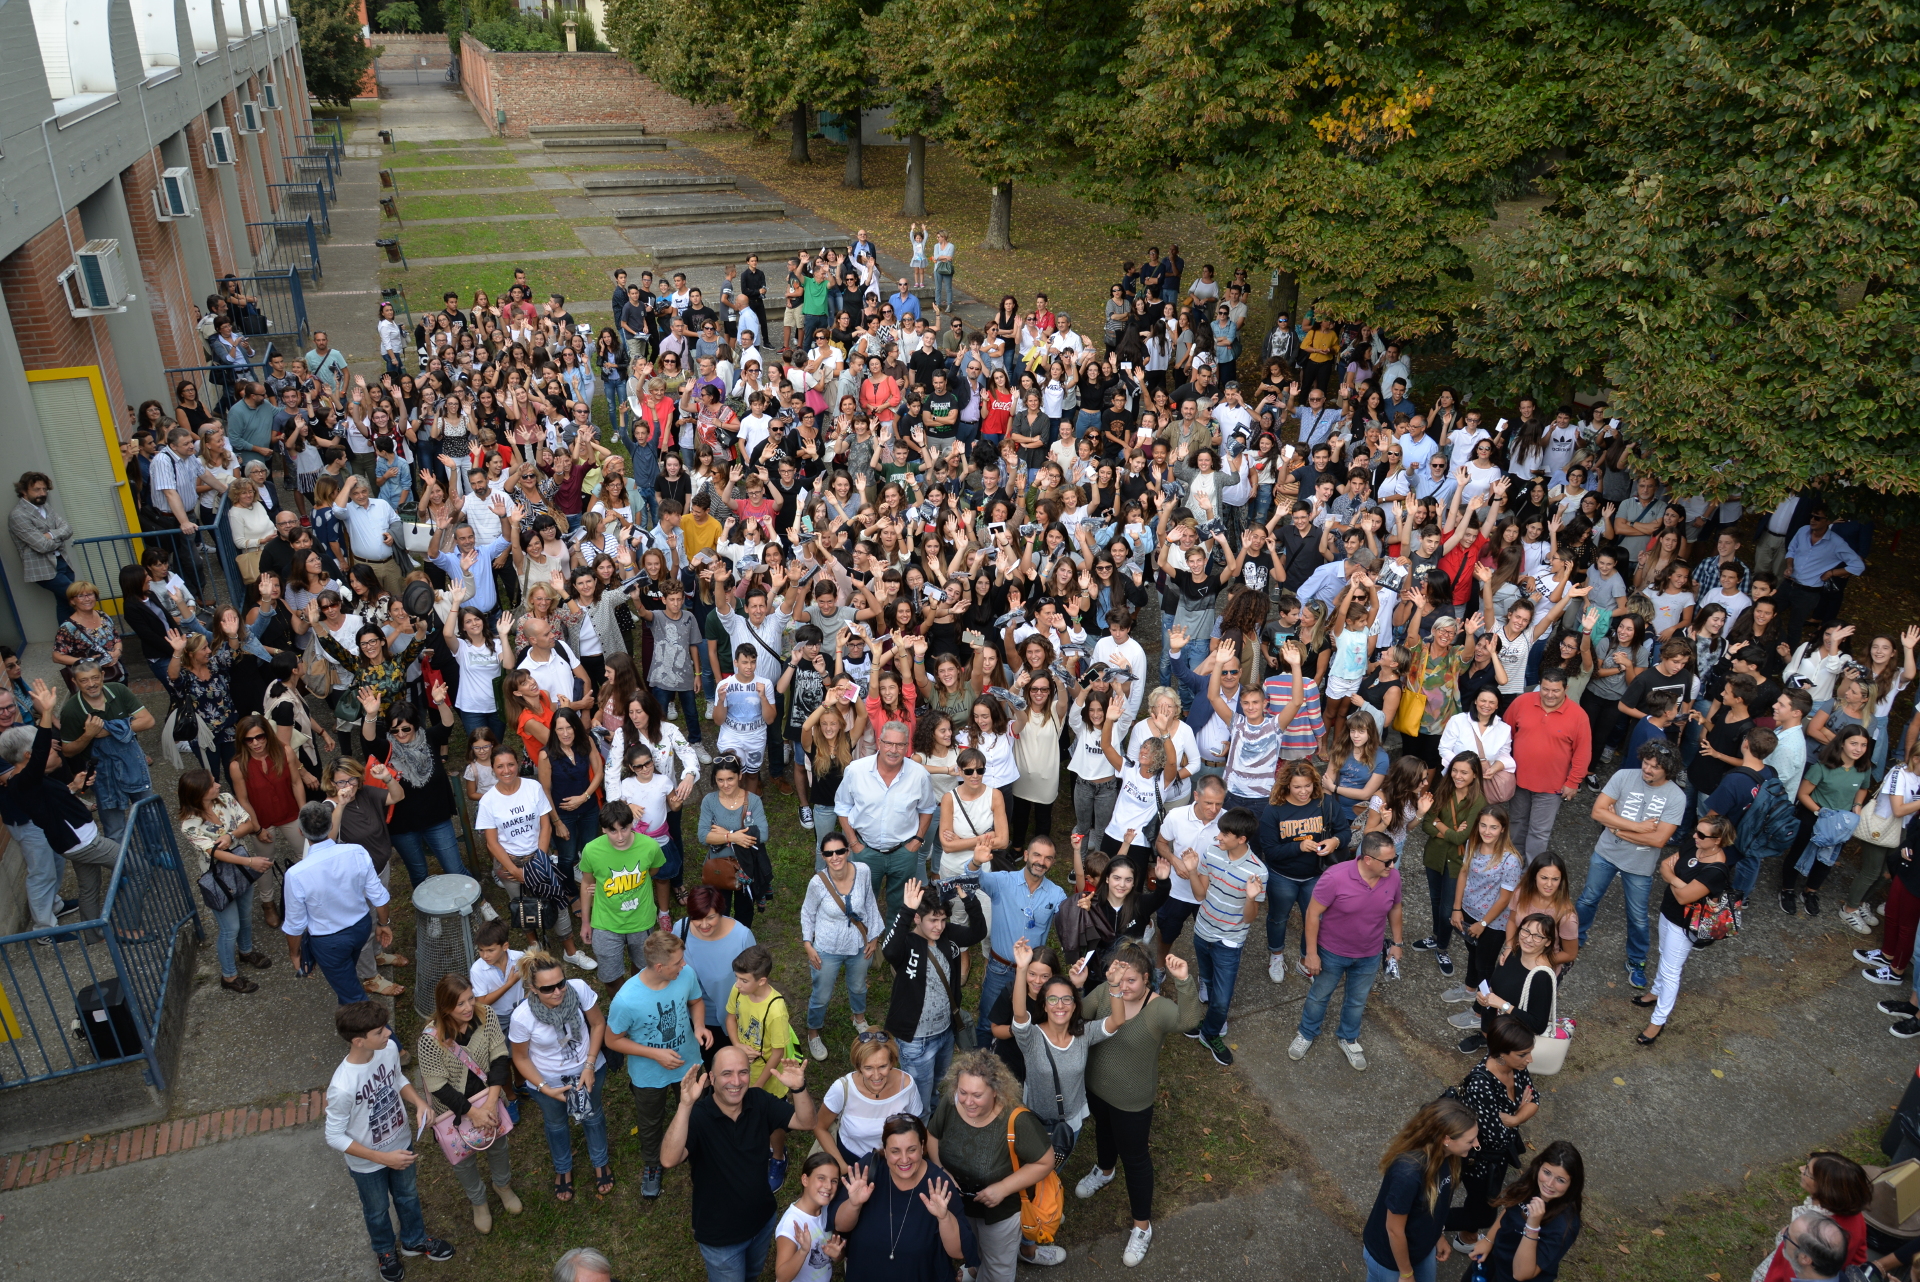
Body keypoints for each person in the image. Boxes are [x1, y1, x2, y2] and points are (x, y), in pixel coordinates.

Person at [1074, 944, 1200, 1267]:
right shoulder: (1106, 991)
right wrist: (1076, 987)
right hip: (1096, 1088)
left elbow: (1189, 1020)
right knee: (1103, 1129)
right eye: (1119, 979)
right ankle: (1104, 1170)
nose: (1124, 986)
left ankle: (1142, 1226)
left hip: (1133, 1101)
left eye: (1132, 980)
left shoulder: (1156, 1010)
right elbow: (1077, 1017)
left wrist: (1184, 981)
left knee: (1136, 1159)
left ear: (1147, 980)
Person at [326, 1001, 456, 1282]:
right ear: (359, 1041)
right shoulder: (342, 1085)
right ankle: (385, 1250)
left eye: (385, 1027)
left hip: (401, 1144)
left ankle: (414, 1240)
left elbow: (397, 1079)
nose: (388, 1033)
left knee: (408, 1196)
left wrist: (420, 1103)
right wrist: (384, 1159)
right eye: (379, 1031)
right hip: (368, 1164)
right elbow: (333, 1136)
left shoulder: (387, 1050)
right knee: (377, 1210)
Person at [662, 1049, 815, 1282]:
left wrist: (798, 1088)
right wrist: (684, 1106)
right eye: (727, 1074)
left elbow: (807, 1121)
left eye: (743, 1072)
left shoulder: (759, 1100)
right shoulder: (698, 1116)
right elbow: (668, 1159)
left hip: (762, 1221)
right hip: (721, 1238)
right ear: (712, 1078)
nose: (736, 1081)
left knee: (752, 1274)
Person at [927, 1049, 1066, 1275]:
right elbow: (932, 1135)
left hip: (999, 1211)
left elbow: (1045, 1161)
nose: (968, 1102)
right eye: (963, 1092)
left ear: (995, 1092)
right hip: (961, 1204)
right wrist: (942, 1171)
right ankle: (974, 1269)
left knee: (998, 1267)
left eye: (977, 1095)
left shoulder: (1017, 1120)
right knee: (972, 1247)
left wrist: (1002, 1188)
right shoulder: (951, 1103)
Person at [604, 928, 711, 1200]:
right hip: (649, 1075)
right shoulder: (626, 999)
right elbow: (613, 1040)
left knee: (697, 1110)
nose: (684, 965)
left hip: (689, 1062)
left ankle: (700, 1149)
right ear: (660, 966)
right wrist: (656, 1054)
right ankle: (652, 1165)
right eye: (678, 962)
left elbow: (696, 1001)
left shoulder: (684, 975)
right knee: (651, 1121)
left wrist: (698, 1025)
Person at [1573, 740, 1685, 992]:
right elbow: (1597, 812)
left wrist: (1617, 827)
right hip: (1606, 854)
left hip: (1640, 865)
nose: (1647, 769)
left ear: (1668, 769)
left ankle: (1636, 961)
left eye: (1655, 767)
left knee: (1638, 917)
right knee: (1588, 899)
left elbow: (1658, 839)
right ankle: (1573, 939)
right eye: (1646, 763)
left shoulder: (1676, 797)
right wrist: (1637, 826)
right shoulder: (1624, 775)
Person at [1290, 831, 1406, 1071]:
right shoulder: (1335, 877)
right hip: (1332, 952)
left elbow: (1395, 908)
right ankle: (1306, 1033)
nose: (1392, 865)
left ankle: (1348, 1038)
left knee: (1356, 1001)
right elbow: (1312, 913)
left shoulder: (1392, 877)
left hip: (1369, 954)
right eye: (1387, 861)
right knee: (1320, 995)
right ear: (1367, 859)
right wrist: (1311, 953)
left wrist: (1397, 942)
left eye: (1393, 859)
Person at [417, 973, 521, 1234]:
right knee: (463, 1159)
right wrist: (472, 1112)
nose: (467, 1008)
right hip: (453, 1110)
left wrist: (491, 1103)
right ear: (444, 1007)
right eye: (459, 1003)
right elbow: (437, 1085)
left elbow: (499, 1057)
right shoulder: (430, 1040)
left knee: (498, 1144)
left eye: (470, 999)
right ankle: (479, 1202)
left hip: (489, 1098)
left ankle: (502, 1185)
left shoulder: (485, 1014)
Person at [508, 951, 613, 1201]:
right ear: (533, 988)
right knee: (556, 1124)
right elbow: (520, 1058)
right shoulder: (522, 1018)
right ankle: (563, 1169)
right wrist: (545, 1088)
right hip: (548, 1081)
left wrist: (589, 1066)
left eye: (560, 983)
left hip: (589, 1069)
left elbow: (598, 1024)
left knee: (593, 1115)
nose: (557, 992)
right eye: (547, 989)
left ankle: (601, 1163)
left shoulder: (578, 989)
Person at [882, 876, 988, 1117]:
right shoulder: (907, 943)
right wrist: (906, 910)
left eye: (942, 920)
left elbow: (978, 932)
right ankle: (921, 1140)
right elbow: (889, 950)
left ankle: (932, 1125)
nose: (938, 927)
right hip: (916, 1041)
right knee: (918, 1101)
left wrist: (969, 900)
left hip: (945, 1034)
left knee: (937, 1087)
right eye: (933, 920)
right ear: (918, 918)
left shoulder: (947, 934)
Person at [829, 1113, 975, 1280]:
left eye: (911, 1150)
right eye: (895, 1151)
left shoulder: (939, 1185)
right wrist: (853, 1205)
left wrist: (944, 1218)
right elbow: (840, 1225)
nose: (904, 1159)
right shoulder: (869, 1170)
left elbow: (958, 1252)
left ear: (922, 1146)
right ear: (885, 1149)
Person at [283, 800, 395, 1005]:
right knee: (347, 979)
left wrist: (294, 953)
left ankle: (379, 1033)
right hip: (360, 928)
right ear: (331, 826)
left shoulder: (295, 874)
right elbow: (379, 895)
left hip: (330, 943)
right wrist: (383, 924)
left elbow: (295, 924)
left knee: (352, 997)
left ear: (301, 832)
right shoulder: (357, 851)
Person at [1636, 817, 1735, 1046]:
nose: (1694, 837)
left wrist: (1673, 879)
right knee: (1663, 953)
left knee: (1672, 970)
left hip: (1685, 925)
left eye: (1701, 835)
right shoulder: (1695, 846)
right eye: (1696, 831)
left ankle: (1658, 1021)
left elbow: (1682, 895)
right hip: (1668, 912)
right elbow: (1665, 866)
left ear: (1717, 840)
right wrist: (1680, 882)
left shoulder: (1716, 870)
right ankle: (1656, 992)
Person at [177, 767, 274, 994]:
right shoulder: (189, 825)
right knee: (230, 928)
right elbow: (215, 853)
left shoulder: (226, 800)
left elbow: (248, 823)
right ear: (199, 793)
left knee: (245, 915)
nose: (218, 785)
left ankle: (246, 951)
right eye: (212, 784)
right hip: (219, 878)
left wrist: (230, 835)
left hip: (240, 870)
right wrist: (250, 862)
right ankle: (229, 976)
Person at [967, 834, 1070, 1049]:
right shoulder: (1002, 881)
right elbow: (971, 878)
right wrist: (976, 862)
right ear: (1025, 855)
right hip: (1000, 969)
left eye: (1048, 858)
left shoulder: (1056, 893)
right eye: (1037, 855)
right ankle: (980, 1070)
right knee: (987, 1023)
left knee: (1029, 1024)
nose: (1041, 862)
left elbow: (1071, 918)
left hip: (1033, 976)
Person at [1361, 1098, 1478, 1282]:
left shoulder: (1450, 1157)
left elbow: (1434, 1205)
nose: (1476, 1144)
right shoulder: (1407, 1173)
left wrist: (1437, 1236)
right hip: (1390, 1260)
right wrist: (1406, 1274)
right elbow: (1394, 1230)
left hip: (1421, 1249)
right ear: (1446, 1139)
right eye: (1470, 1140)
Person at [1447, 1016, 1542, 1243]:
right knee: (1485, 1212)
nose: (1529, 1059)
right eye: (1522, 1054)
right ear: (1500, 1053)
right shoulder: (1481, 1084)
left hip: (1494, 1156)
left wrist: (1514, 1117)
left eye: (1529, 1052)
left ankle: (1466, 1237)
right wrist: (1519, 1115)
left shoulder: (1515, 1066)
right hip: (1478, 1159)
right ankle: (1428, 1223)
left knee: (1482, 1203)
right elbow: (1497, 1137)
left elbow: (1535, 1099)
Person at [1184, 806, 1266, 1066]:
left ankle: (1209, 1033)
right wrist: (1193, 871)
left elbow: (1250, 918)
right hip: (1202, 930)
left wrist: (1251, 898)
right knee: (1206, 980)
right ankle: (1209, 1025)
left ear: (1241, 839)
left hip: (1229, 941)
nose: (1218, 837)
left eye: (1224, 834)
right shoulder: (1211, 853)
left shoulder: (1257, 872)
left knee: (1221, 1001)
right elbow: (1200, 895)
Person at [837, 720, 940, 920]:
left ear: (907, 746)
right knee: (862, 900)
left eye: (900, 745)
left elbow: (927, 808)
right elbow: (842, 806)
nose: (894, 750)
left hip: (903, 852)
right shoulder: (855, 770)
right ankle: (865, 939)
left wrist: (917, 840)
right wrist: (854, 843)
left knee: (900, 905)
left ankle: (894, 943)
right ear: (879, 742)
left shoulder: (919, 775)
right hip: (865, 850)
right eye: (889, 743)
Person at [801, 831, 882, 1059]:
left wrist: (874, 937)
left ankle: (859, 1018)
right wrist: (808, 944)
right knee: (822, 994)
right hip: (826, 947)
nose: (835, 857)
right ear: (823, 856)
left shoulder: (863, 871)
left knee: (858, 986)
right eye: (829, 853)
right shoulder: (818, 883)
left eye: (839, 851)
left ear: (848, 851)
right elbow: (807, 912)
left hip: (858, 944)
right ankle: (814, 1032)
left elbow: (870, 902)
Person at [1466, 1140, 1587, 1282]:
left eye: (1560, 1180)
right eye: (1547, 1172)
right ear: (1539, 1166)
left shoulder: (1565, 1224)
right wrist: (1489, 1240)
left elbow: (1521, 1274)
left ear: (1572, 1184)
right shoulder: (1532, 1184)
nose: (1549, 1184)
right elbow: (1510, 1208)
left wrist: (1532, 1226)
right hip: (1492, 1262)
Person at [1412, 753, 1488, 981]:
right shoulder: (1442, 790)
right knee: (1435, 901)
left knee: (1448, 909)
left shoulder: (1479, 801)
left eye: (1464, 772)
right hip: (1434, 856)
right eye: (1455, 770)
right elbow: (1426, 823)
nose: (1458, 776)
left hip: (1457, 862)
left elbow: (1461, 837)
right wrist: (1444, 828)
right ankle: (1436, 936)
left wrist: (1439, 825)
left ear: (1475, 775)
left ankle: (1442, 947)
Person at [1501, 670, 1590, 859]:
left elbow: (1582, 752)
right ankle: (1514, 864)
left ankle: (1531, 874)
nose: (1549, 695)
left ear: (1566, 689)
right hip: (1518, 780)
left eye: (1556, 691)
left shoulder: (1578, 715)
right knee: (1517, 823)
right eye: (1545, 689)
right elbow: (1504, 733)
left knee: (1539, 832)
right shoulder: (1522, 702)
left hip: (1551, 787)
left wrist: (1573, 782)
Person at [576, 799, 669, 980]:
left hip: (642, 922)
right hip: (605, 924)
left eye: (624, 828)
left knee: (643, 971)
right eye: (613, 830)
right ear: (603, 829)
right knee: (610, 977)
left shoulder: (650, 846)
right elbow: (586, 884)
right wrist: (586, 922)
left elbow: (653, 871)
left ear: (632, 824)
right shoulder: (591, 850)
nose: (620, 837)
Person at [814, 1031, 922, 1170]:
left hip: (894, 1161)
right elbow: (819, 1127)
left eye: (882, 1066)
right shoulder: (842, 1088)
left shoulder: (906, 1085)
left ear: (892, 1063)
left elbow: (916, 1125)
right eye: (868, 1068)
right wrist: (843, 1168)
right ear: (858, 1066)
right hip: (851, 1159)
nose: (876, 1076)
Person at [675, 885, 758, 1062]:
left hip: (729, 1020)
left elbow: (755, 982)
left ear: (721, 911)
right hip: (691, 1017)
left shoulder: (742, 937)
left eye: (711, 917)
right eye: (697, 918)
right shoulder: (680, 929)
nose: (704, 925)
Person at [700, 752, 773, 927]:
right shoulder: (709, 801)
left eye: (730, 779)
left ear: (740, 776)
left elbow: (762, 834)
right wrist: (733, 837)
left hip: (746, 868)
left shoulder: (753, 801)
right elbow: (703, 836)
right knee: (719, 912)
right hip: (718, 868)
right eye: (720, 780)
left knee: (744, 913)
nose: (725, 785)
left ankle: (742, 947)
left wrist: (724, 834)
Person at [8, 471, 76, 624]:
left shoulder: (46, 507)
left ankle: (66, 642)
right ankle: (82, 636)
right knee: (78, 597)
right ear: (23, 491)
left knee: (65, 604)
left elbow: (68, 529)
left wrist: (50, 535)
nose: (42, 493)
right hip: (45, 569)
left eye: (44, 489)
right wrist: (59, 537)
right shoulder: (18, 515)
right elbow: (42, 546)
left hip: (63, 562)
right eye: (37, 489)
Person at [775, 1152, 847, 1282]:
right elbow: (781, 1278)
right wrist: (803, 1251)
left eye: (834, 1181)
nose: (828, 1186)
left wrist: (836, 1255)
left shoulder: (828, 1211)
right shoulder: (792, 1223)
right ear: (805, 1180)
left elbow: (838, 1255)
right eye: (821, 1178)